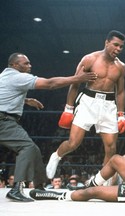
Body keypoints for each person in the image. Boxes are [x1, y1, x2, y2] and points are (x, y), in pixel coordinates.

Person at [0, 52, 97, 202]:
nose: (29, 65)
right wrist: (78, 79)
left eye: (29, 63)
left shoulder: (5, 76)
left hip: (6, 119)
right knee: (27, 147)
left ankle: (39, 188)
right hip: (4, 120)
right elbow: (50, 83)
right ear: (14, 65)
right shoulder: (18, 77)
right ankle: (16, 188)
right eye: (25, 63)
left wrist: (25, 100)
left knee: (34, 150)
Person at [46, 30, 125, 180]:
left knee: (111, 148)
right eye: (116, 45)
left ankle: (102, 181)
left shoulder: (121, 66)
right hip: (88, 102)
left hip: (109, 105)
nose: (118, 49)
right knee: (73, 143)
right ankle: (56, 156)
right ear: (106, 42)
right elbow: (75, 84)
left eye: (121, 47)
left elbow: (120, 92)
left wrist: (121, 114)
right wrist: (68, 108)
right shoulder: (90, 59)